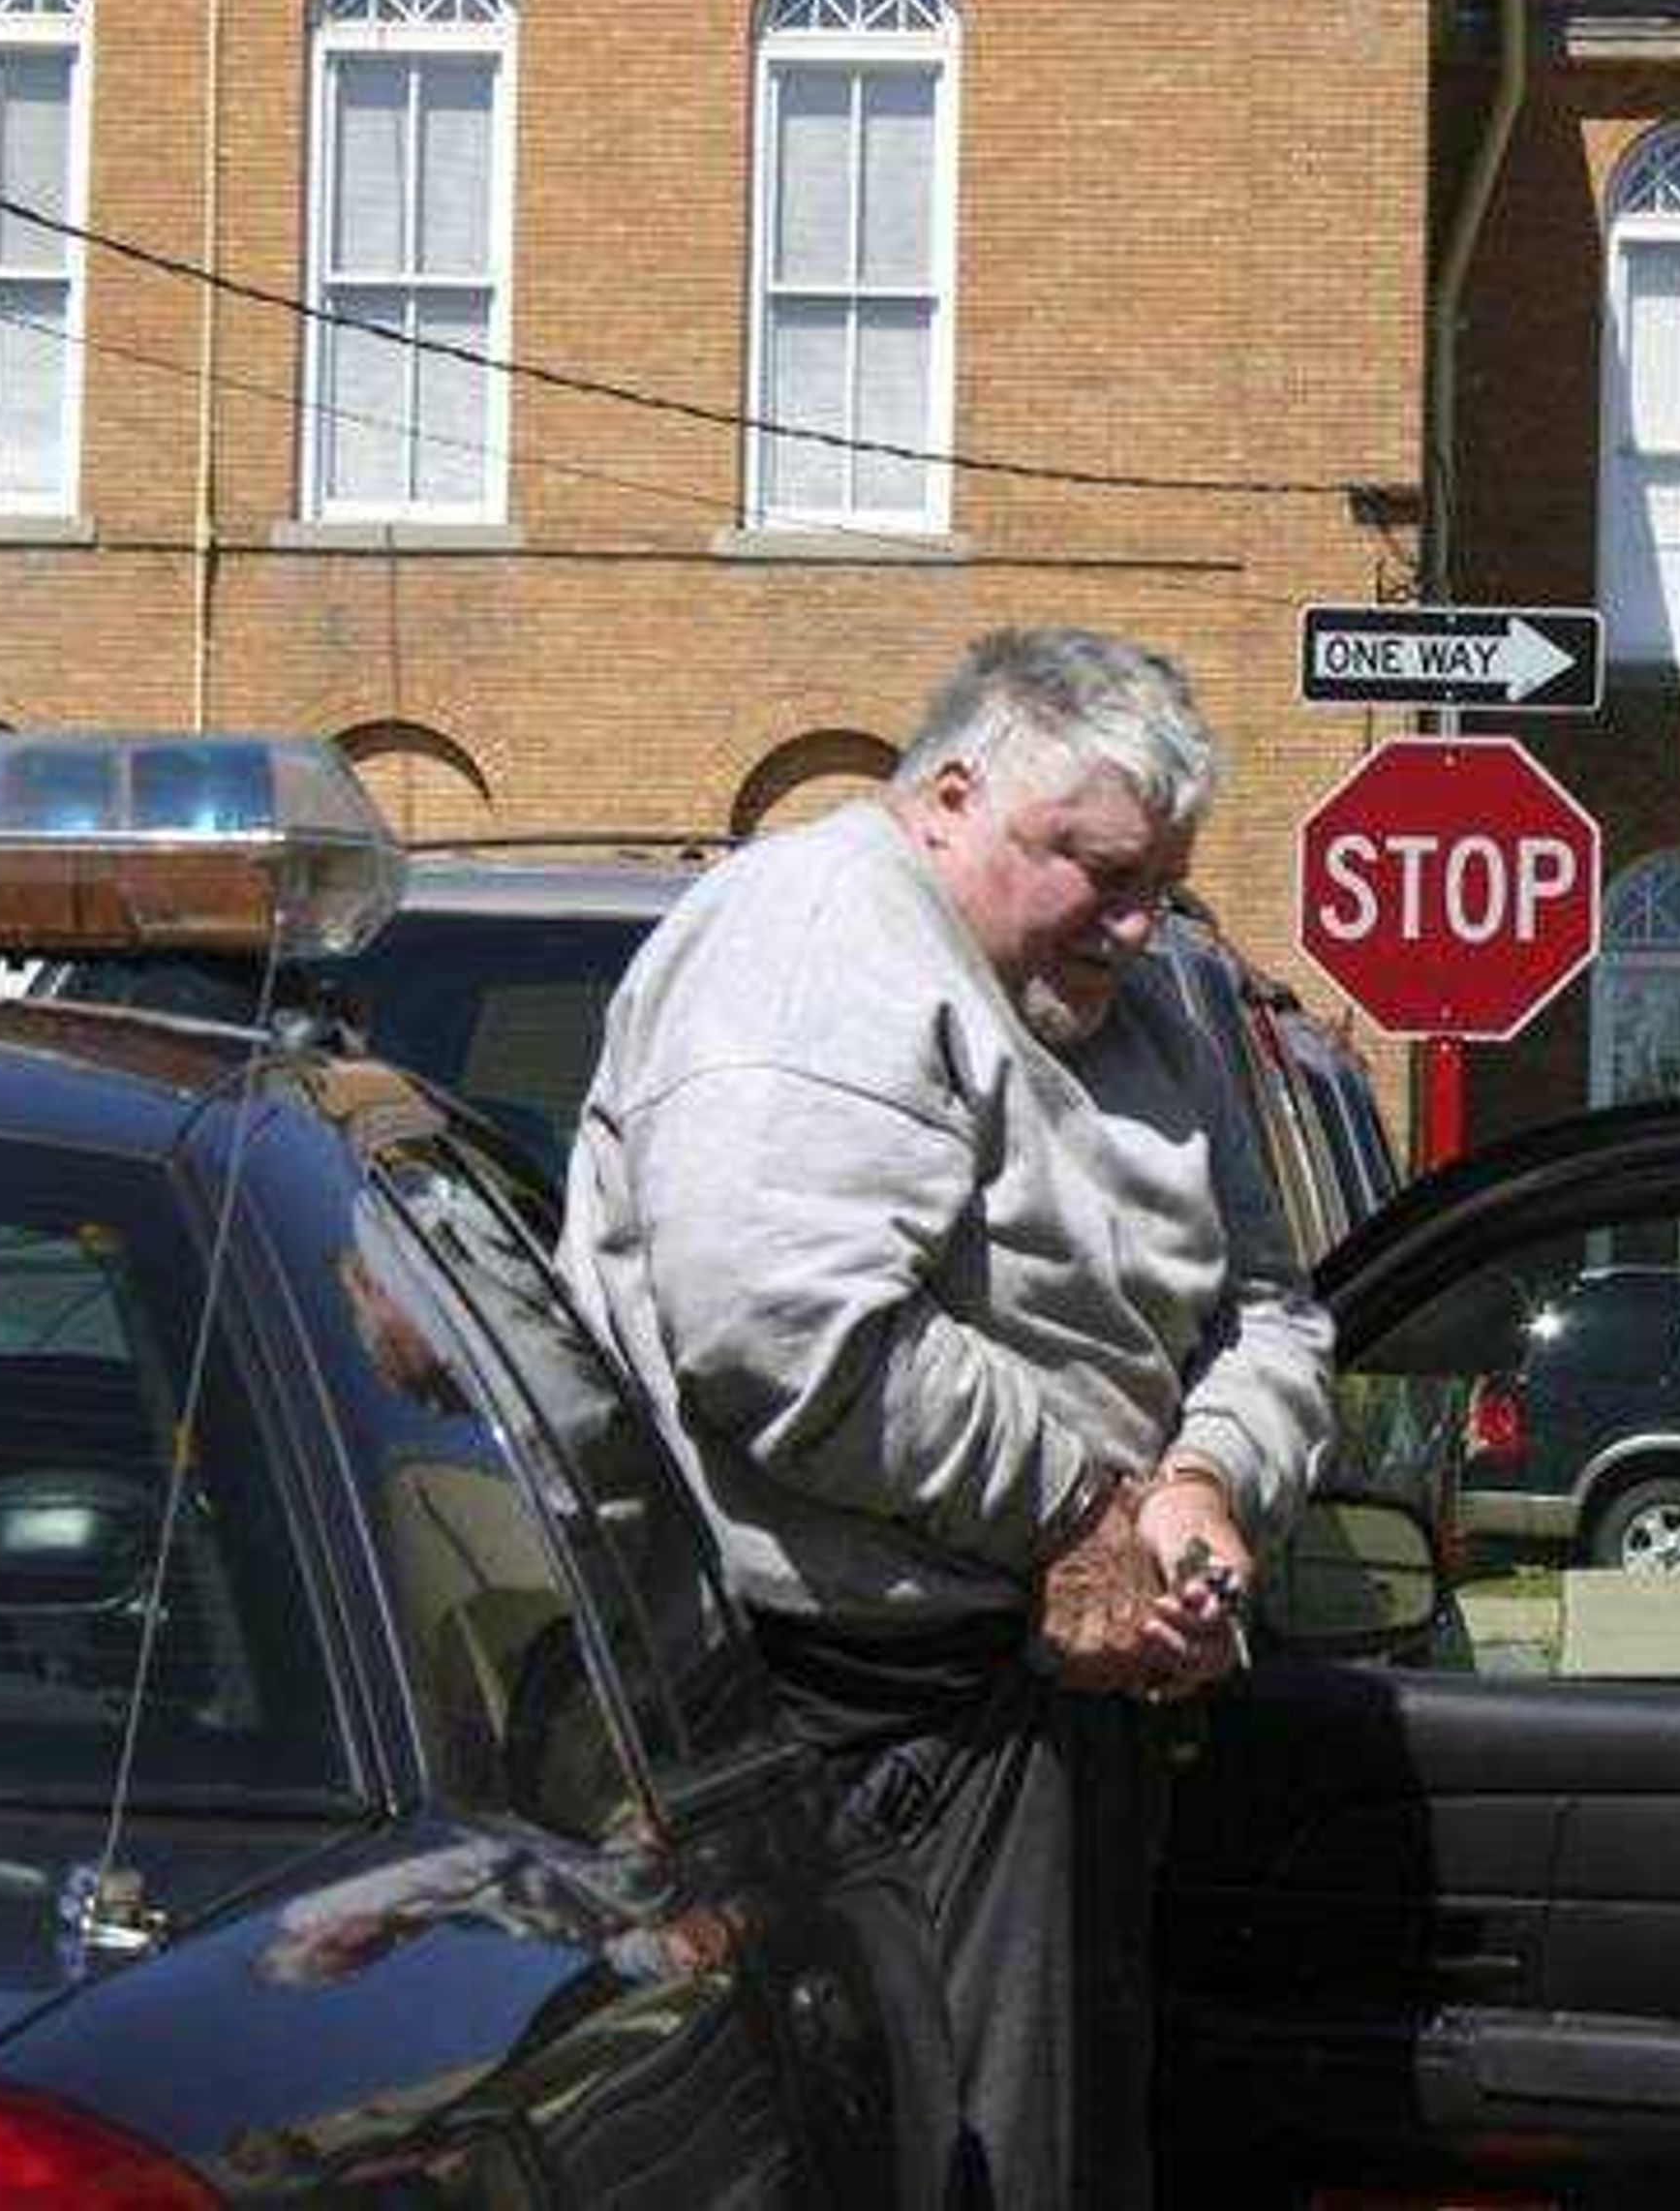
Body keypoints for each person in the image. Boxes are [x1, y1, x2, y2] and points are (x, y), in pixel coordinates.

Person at [557, 627, 1335, 2208]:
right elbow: (786, 1327)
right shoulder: (816, 937)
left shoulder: (1151, 993)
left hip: (1042, 1703)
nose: (1134, 923)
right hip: (854, 1718)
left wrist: (1204, 1475)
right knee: (943, 2166)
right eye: (1096, 871)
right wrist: (1085, 1512)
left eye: (1158, 884)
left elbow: (1272, 1306)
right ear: (953, 796)